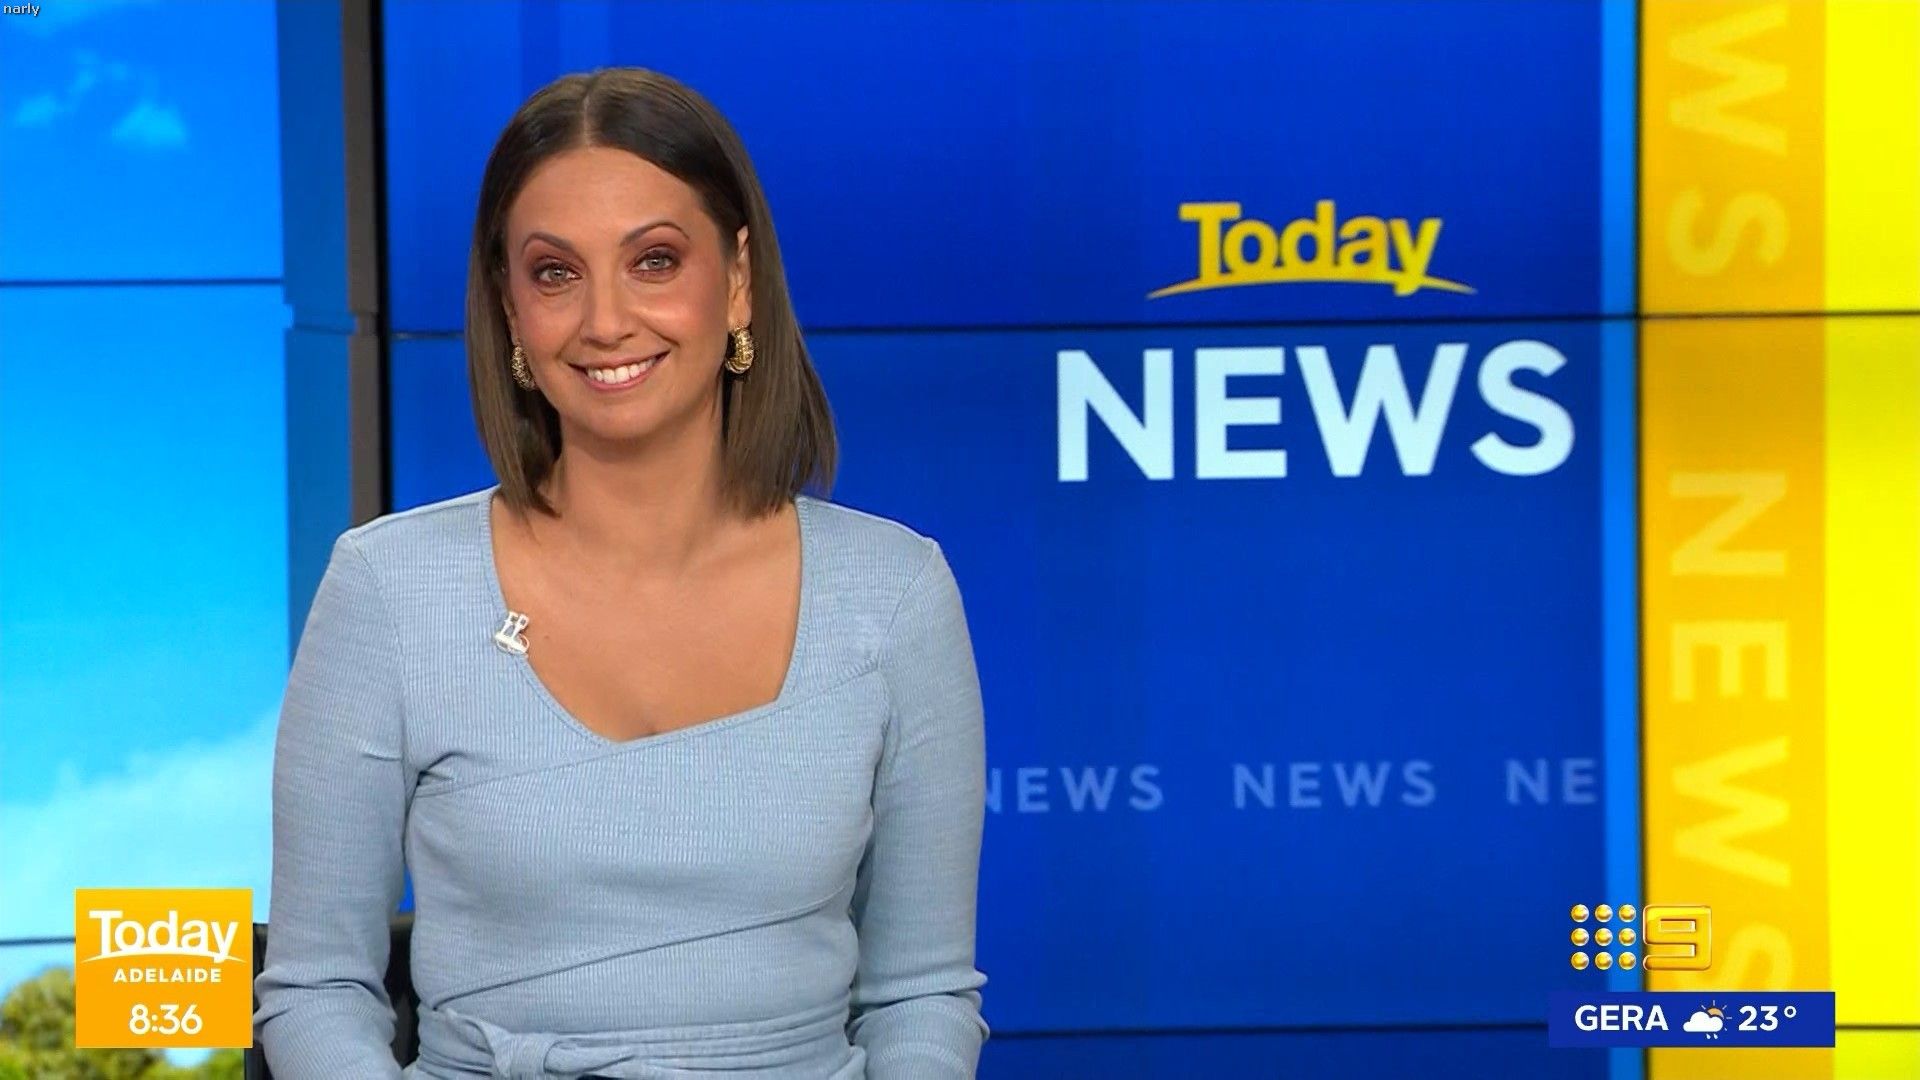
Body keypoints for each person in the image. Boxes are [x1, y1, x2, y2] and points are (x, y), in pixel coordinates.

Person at [253, 67, 990, 1079]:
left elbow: (921, 999)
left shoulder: (895, 594)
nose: (606, 321)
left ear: (737, 280)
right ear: (510, 308)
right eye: (555, 273)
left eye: (654, 261)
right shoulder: (388, 589)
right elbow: (317, 990)